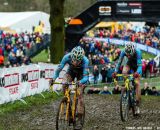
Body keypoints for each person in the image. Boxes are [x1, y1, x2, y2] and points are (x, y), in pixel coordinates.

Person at [51, 46, 89, 129]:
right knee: (64, 84)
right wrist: (53, 79)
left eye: (78, 61)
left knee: (80, 95)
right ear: (71, 56)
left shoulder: (85, 61)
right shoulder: (66, 57)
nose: (75, 62)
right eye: (74, 59)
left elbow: (86, 77)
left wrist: (81, 82)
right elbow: (58, 70)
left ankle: (79, 119)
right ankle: (68, 104)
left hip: (81, 75)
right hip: (70, 72)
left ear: (81, 59)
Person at [112, 42, 142, 114]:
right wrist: (115, 71)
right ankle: (127, 86)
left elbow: (140, 66)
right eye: (127, 54)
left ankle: (137, 105)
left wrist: (137, 73)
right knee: (124, 71)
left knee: (137, 83)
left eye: (129, 55)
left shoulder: (138, 52)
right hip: (130, 64)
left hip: (137, 66)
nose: (128, 56)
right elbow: (119, 63)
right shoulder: (123, 51)